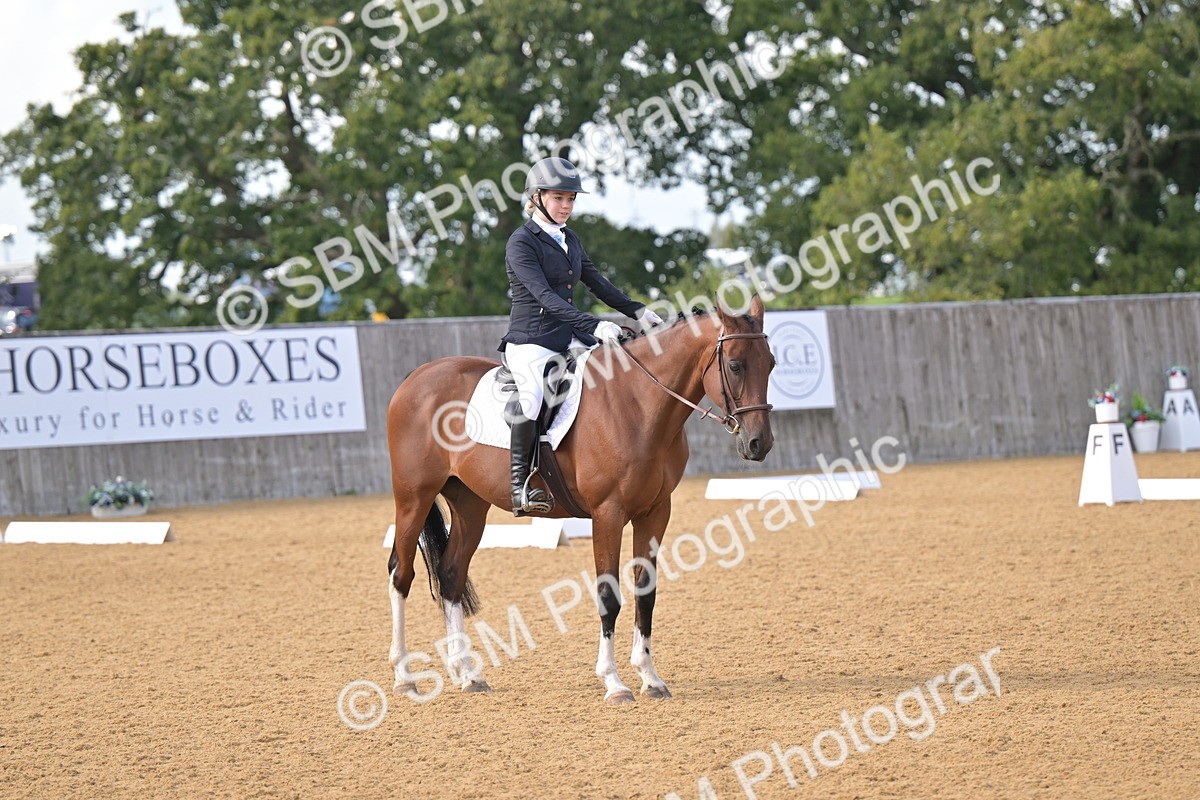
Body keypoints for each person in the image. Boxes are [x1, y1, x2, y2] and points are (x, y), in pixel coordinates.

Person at [500, 157, 663, 516]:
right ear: (537, 197)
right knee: (532, 397)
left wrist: (637, 310)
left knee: (616, 370)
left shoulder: (569, 238)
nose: (566, 206)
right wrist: (593, 325)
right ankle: (519, 485)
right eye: (558, 198)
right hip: (531, 341)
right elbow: (545, 297)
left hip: (570, 337)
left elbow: (597, 283)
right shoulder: (521, 242)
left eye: (571, 199)